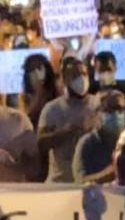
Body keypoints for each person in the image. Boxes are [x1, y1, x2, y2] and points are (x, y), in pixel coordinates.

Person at [36, 55, 98, 183]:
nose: (81, 78)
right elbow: (41, 143)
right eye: (75, 75)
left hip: (91, 182)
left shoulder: (98, 104)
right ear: (64, 80)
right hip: (60, 183)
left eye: (84, 74)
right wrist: (66, 132)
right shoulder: (52, 109)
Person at [76, 89, 125, 181]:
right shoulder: (87, 144)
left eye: (120, 109)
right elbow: (80, 181)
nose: (116, 114)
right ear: (98, 113)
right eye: (110, 109)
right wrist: (109, 173)